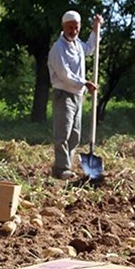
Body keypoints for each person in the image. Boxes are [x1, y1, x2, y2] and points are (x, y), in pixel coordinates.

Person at [47, 10, 103, 180]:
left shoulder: (77, 44)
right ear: (64, 27)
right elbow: (65, 74)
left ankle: (67, 166)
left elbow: (91, 48)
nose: (73, 31)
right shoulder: (58, 48)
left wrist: (95, 30)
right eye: (70, 27)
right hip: (63, 95)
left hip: (77, 96)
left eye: (76, 27)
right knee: (62, 134)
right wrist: (84, 83)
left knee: (74, 135)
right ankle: (61, 168)